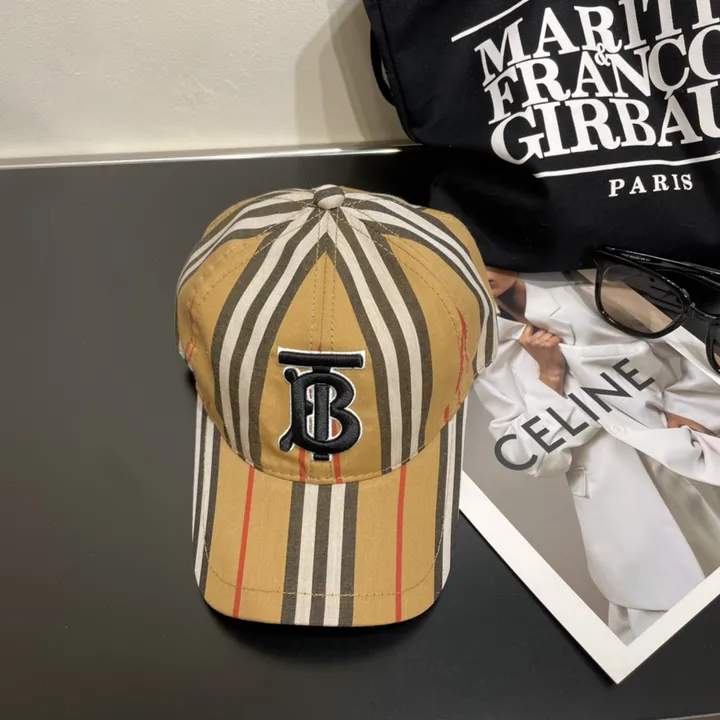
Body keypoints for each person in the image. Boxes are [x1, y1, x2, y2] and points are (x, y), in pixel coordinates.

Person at [476, 268, 720, 643]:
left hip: (696, 466)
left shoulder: (593, 285)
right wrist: (549, 378)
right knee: (665, 637)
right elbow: (529, 456)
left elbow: (687, 353)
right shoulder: (488, 360)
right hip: (620, 516)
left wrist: (688, 409)